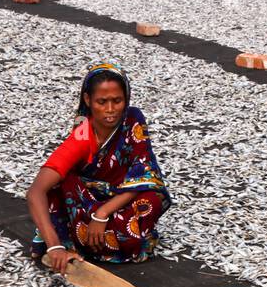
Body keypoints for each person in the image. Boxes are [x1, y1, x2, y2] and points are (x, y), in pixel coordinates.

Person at [27, 61, 173, 275]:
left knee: (152, 198)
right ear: (88, 100)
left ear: (127, 99)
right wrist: (54, 245)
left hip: (119, 202)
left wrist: (102, 214)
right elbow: (35, 191)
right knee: (60, 186)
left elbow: (143, 173)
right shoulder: (82, 136)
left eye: (117, 101)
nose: (110, 110)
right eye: (102, 102)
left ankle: (95, 243)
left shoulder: (133, 120)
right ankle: (70, 244)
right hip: (87, 206)